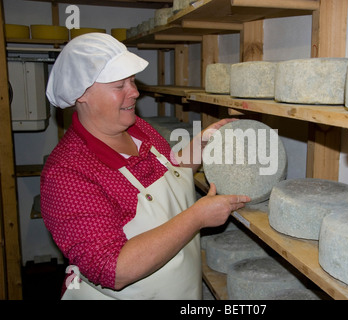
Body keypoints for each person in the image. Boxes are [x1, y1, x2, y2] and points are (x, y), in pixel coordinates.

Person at [41, 32, 250, 300]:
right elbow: (112, 269)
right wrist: (196, 217)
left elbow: (170, 170)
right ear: (82, 95)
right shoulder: (67, 174)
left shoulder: (137, 127)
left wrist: (201, 143)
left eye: (132, 80)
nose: (135, 92)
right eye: (119, 86)